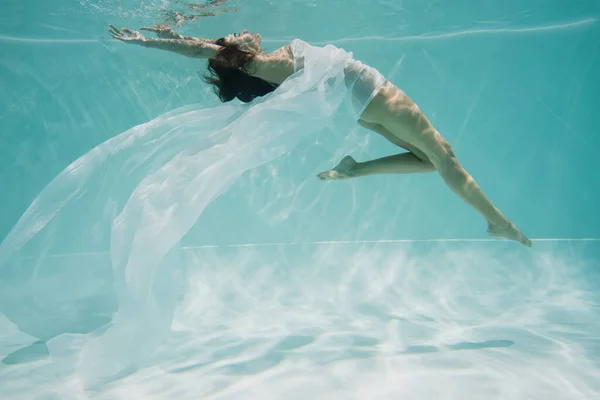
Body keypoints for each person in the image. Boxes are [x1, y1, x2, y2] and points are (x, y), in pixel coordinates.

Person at [108, 24, 532, 247]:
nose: (240, 31)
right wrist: (146, 41)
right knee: (445, 157)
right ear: (237, 56)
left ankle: (356, 169)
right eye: (234, 39)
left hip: (366, 106)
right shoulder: (257, 63)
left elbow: (201, 45)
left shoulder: (261, 62)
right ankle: (499, 223)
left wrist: (161, 33)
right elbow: (200, 50)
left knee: (430, 161)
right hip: (374, 94)